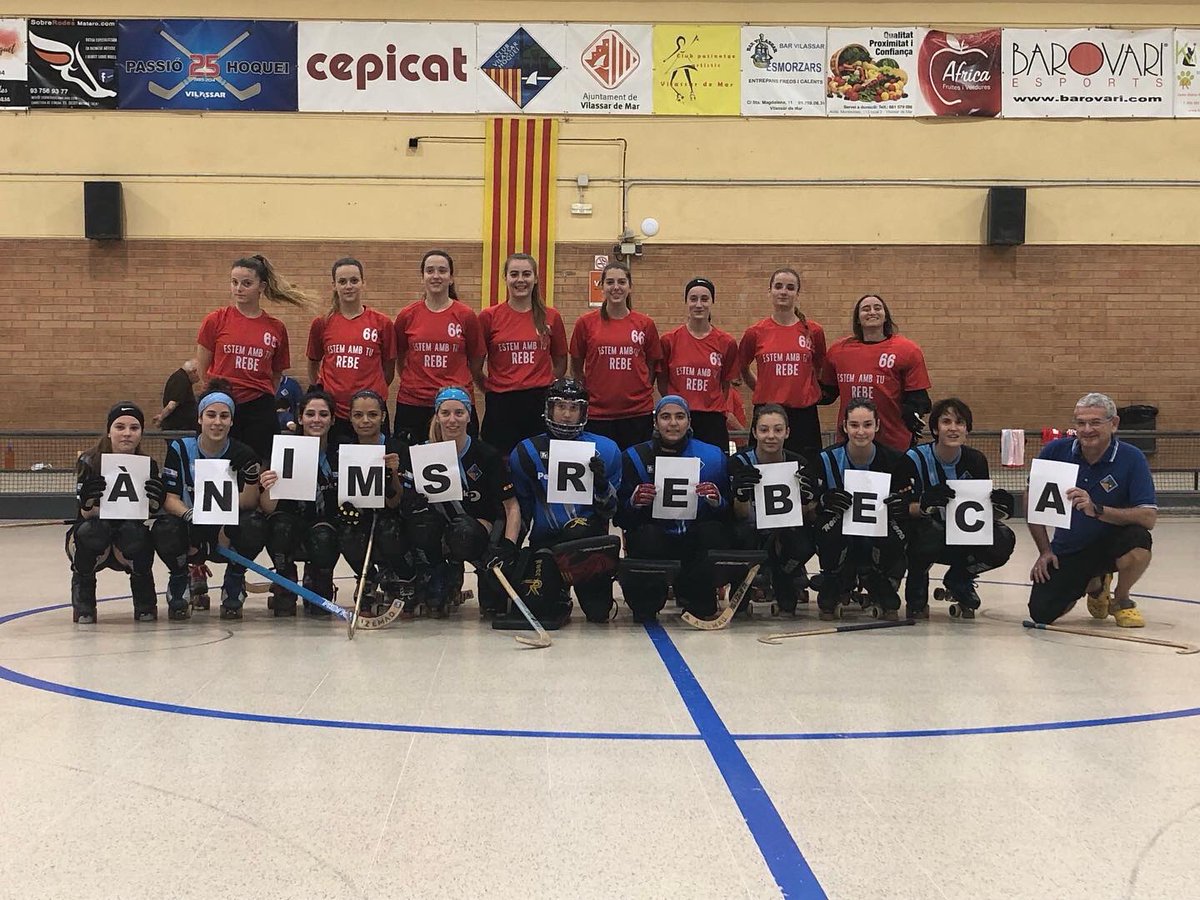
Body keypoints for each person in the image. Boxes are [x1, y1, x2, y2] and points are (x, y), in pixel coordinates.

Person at [1028, 392, 1156, 628]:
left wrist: (1097, 509)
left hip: (1113, 544)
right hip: (1069, 548)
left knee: (1139, 540)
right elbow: (1032, 501)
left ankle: (1121, 599)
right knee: (1041, 613)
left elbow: (1148, 517)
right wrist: (1045, 551)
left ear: (1113, 424)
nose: (1087, 430)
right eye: (1081, 423)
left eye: (1095, 422)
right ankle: (1096, 586)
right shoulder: (1055, 452)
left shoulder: (1132, 458)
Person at [508, 378, 623, 624]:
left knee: (598, 613)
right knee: (538, 607)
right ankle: (557, 591)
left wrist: (601, 485)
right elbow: (522, 510)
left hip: (588, 543)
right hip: (546, 541)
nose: (567, 415)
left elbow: (611, 511)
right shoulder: (526, 451)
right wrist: (511, 552)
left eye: (574, 408)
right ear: (549, 409)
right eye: (561, 406)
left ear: (584, 412)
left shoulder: (607, 449)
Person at [403, 387, 521, 618]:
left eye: (459, 413)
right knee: (420, 522)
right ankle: (442, 570)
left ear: (469, 416)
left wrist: (508, 547)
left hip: (477, 531)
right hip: (440, 530)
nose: (452, 420)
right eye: (445, 413)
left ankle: (483, 572)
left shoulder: (486, 455)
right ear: (437, 416)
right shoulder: (422, 453)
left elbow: (512, 506)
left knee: (464, 533)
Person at [151, 381, 265, 620]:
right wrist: (191, 516)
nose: (217, 422)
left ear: (231, 421)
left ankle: (234, 579)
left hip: (225, 530)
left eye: (224, 416)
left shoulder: (243, 452)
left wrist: (251, 478)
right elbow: (169, 498)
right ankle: (180, 578)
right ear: (200, 418)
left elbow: (248, 504)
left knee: (255, 523)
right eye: (211, 415)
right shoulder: (180, 449)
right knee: (164, 528)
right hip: (190, 525)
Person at [615, 395, 731, 622]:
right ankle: (650, 592)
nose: (673, 423)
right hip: (655, 539)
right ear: (655, 422)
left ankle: (694, 589)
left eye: (679, 417)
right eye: (666, 417)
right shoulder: (634, 457)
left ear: (689, 421)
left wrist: (718, 501)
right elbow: (620, 517)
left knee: (713, 532)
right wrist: (633, 503)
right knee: (644, 611)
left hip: (694, 542)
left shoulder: (713, 456)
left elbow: (729, 515)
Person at [904, 398, 1017, 620]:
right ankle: (917, 585)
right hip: (923, 538)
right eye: (946, 422)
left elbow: (979, 513)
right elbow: (901, 509)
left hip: (963, 535)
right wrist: (925, 505)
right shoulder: (914, 459)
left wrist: (1000, 508)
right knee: (930, 532)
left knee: (1003, 539)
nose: (953, 428)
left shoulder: (976, 460)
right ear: (935, 429)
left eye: (959, 422)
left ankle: (959, 577)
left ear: (967, 429)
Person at [196, 254, 311, 459]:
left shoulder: (276, 327)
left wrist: (261, 395)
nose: (239, 288)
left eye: (246, 283)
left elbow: (276, 374)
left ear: (261, 286)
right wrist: (217, 396)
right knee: (215, 464)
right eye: (234, 282)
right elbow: (202, 367)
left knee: (259, 465)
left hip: (259, 406)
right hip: (223, 401)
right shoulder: (216, 320)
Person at [812, 398, 916, 621]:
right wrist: (823, 501)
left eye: (867, 425)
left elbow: (909, 503)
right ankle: (833, 580)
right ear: (845, 426)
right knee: (826, 529)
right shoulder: (826, 459)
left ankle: (879, 579)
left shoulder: (896, 460)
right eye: (854, 425)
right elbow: (810, 507)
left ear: (877, 426)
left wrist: (901, 505)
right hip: (839, 531)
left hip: (878, 531)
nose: (861, 432)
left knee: (901, 530)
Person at [67, 402, 164, 623]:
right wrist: (88, 502)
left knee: (136, 533)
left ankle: (145, 602)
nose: (127, 433)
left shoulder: (148, 464)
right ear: (109, 431)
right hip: (94, 531)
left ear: (141, 433)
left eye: (134, 428)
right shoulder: (89, 461)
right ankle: (84, 600)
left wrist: (155, 504)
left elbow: (145, 513)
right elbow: (85, 515)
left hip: (128, 536)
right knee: (92, 531)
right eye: (120, 427)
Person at [257, 389, 342, 617]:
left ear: (333, 419)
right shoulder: (283, 450)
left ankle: (320, 580)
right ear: (300, 418)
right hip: (291, 521)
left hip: (325, 524)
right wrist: (268, 486)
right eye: (310, 414)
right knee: (279, 525)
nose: (316, 420)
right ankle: (285, 582)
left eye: (323, 414)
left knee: (324, 535)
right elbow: (268, 508)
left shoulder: (340, 453)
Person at [326, 389, 411, 616]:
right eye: (358, 415)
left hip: (392, 516)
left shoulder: (398, 449)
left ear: (383, 417)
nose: (365, 421)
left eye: (372, 415)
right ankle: (368, 577)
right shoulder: (342, 451)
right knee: (346, 532)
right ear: (350, 418)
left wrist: (394, 474)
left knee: (390, 531)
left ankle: (397, 574)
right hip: (358, 516)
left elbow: (398, 500)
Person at [728, 404, 818, 614]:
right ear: (754, 432)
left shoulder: (799, 463)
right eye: (764, 430)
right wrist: (741, 494)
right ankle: (742, 581)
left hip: (785, 531)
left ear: (787, 432)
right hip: (749, 529)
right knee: (739, 535)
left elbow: (806, 514)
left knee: (803, 542)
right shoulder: (738, 462)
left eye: (778, 430)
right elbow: (738, 515)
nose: (771, 436)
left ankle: (784, 574)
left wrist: (807, 501)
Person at [476, 253, 568, 456]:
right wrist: (492, 389)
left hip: (539, 401)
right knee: (500, 463)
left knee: (537, 461)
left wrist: (544, 383)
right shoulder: (488, 317)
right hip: (501, 403)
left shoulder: (551, 316)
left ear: (535, 278)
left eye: (526, 274)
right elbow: (475, 366)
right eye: (514, 274)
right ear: (505, 278)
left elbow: (561, 361)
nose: (520, 280)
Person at [392, 249, 485, 444]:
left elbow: (476, 360)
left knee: (461, 458)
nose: (436, 276)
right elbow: (401, 358)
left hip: (455, 403)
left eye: (442, 271)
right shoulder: (407, 315)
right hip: (414, 403)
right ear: (422, 277)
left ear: (451, 278)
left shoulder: (466, 315)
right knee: (410, 459)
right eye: (430, 271)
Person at [569, 261, 663, 450]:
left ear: (630, 287)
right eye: (610, 282)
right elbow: (576, 366)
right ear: (602, 286)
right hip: (597, 414)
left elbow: (652, 365)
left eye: (621, 282)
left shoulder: (645, 324)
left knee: (635, 465)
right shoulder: (585, 323)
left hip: (637, 413)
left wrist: (640, 389)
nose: (616, 287)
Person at [820, 294, 931, 453]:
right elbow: (827, 393)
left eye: (877, 308)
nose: (872, 312)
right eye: (866, 309)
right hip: (851, 440)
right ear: (858, 319)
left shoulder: (907, 350)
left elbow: (919, 397)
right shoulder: (838, 351)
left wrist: (914, 412)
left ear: (886, 316)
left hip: (893, 441)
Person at [738, 267, 828, 458]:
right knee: (763, 469)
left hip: (803, 416)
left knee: (807, 469)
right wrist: (761, 388)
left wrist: (806, 389)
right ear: (769, 291)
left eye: (790, 287)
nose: (784, 292)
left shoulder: (814, 331)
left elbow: (819, 367)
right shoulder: (755, 332)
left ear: (797, 294)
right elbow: (743, 367)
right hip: (767, 413)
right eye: (778, 286)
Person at [306, 257, 397, 446]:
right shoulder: (322, 323)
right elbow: (313, 363)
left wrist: (371, 394)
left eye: (354, 280)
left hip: (369, 413)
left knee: (374, 461)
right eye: (342, 281)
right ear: (334, 285)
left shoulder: (382, 323)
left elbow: (388, 370)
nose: (348, 286)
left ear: (363, 282)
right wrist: (324, 390)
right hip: (335, 413)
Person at [658, 276, 739, 450]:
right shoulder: (669, 340)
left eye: (704, 299)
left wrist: (711, 404)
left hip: (712, 419)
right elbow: (663, 382)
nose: (699, 305)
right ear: (686, 302)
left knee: (715, 464)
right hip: (679, 418)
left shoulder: (726, 342)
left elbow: (725, 384)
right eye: (693, 299)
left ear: (712, 302)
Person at [152, 359, 199, 431]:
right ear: (194, 371)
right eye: (199, 374)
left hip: (181, 427)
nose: (199, 378)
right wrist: (161, 418)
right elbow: (172, 405)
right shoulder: (181, 380)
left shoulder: (181, 378)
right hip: (179, 428)